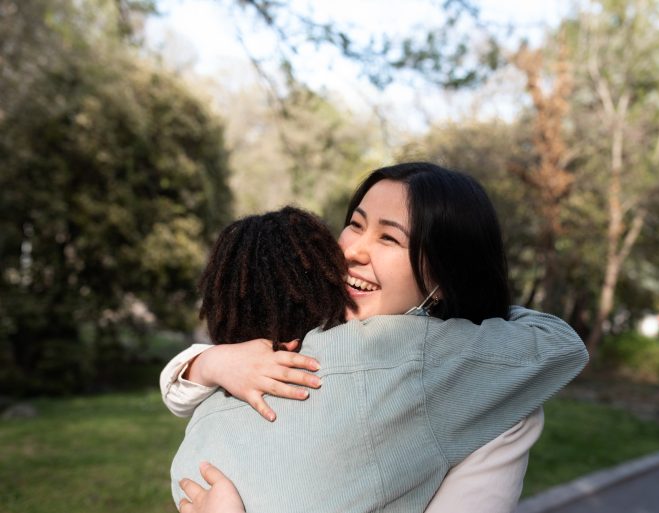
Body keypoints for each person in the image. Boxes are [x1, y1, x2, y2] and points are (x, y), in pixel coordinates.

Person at [166, 162, 588, 513]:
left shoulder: (469, 378)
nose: (353, 250)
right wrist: (210, 362)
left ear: (445, 270)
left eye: (389, 237)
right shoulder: (299, 329)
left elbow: (560, 347)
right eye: (355, 224)